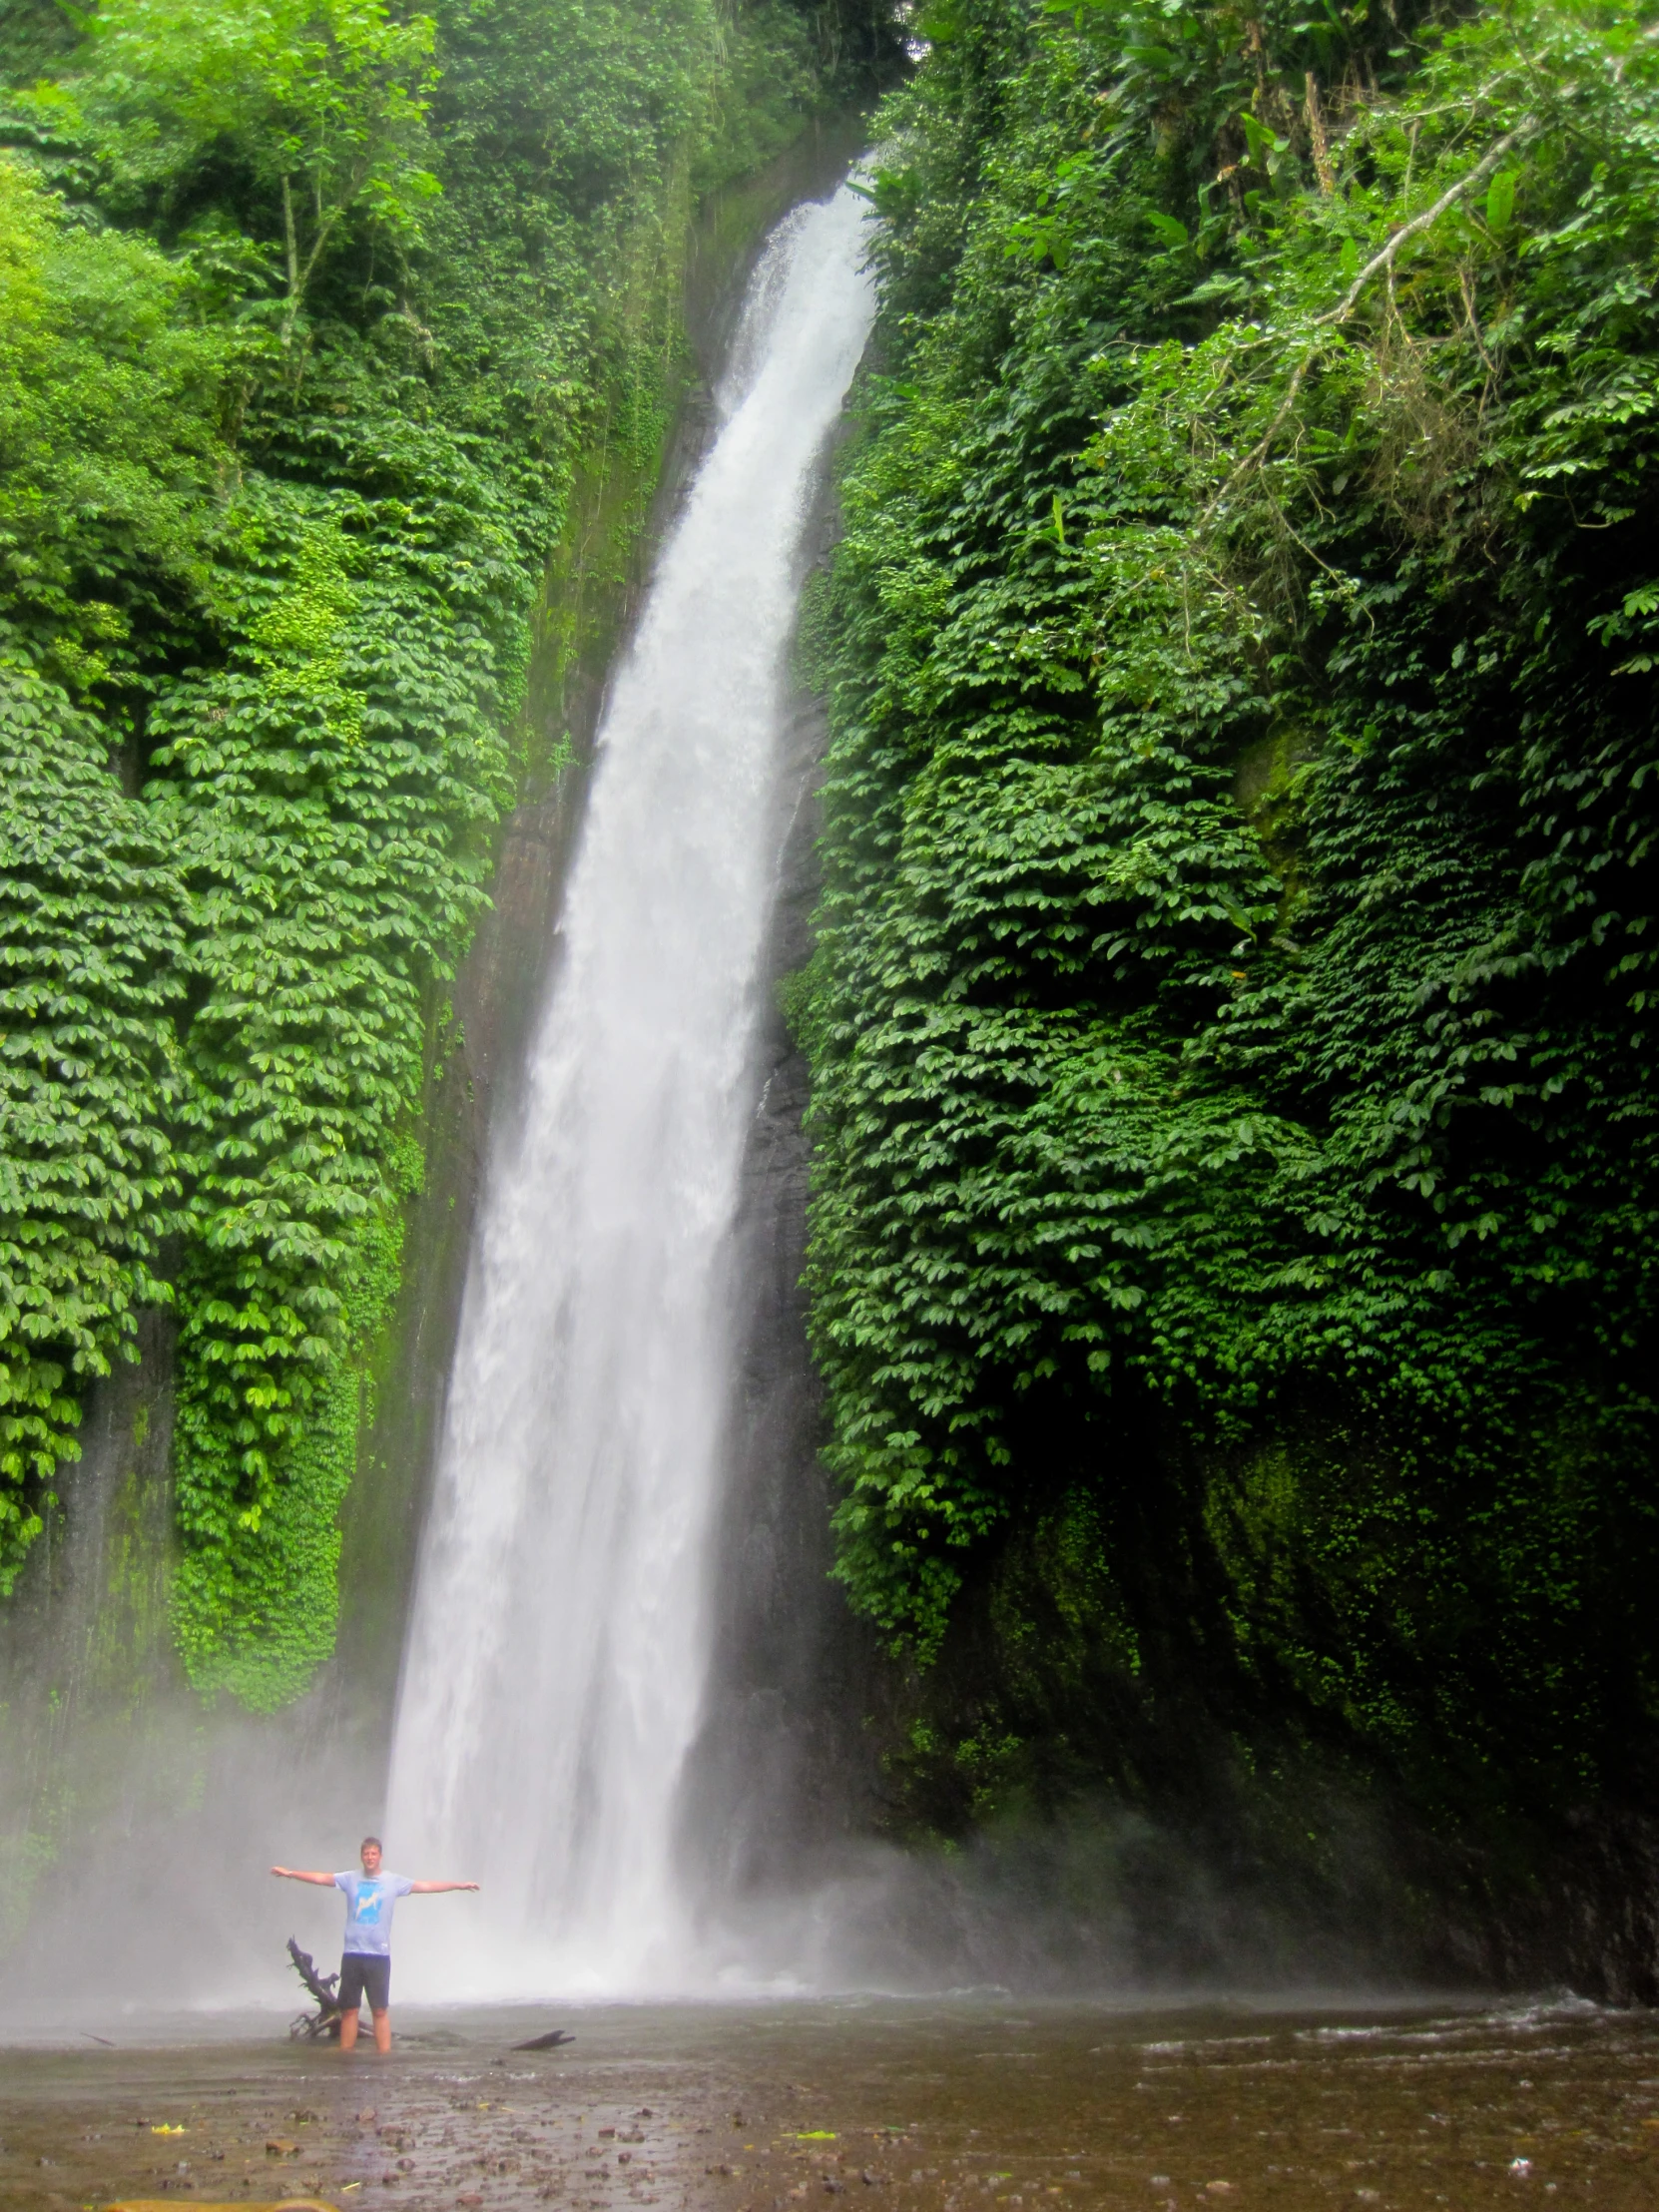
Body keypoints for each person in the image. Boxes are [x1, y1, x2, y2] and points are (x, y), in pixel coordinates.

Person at [272, 1836, 479, 2052]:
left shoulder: (393, 1882)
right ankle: (346, 2055)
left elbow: (425, 1885)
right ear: (362, 1856)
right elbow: (321, 1878)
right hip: (352, 1954)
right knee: (349, 2009)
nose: (370, 1857)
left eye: (373, 1854)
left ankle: (384, 2058)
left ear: (380, 1856)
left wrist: (459, 1885)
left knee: (379, 2010)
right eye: (366, 1854)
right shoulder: (350, 1879)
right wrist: (290, 1874)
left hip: (379, 1955)